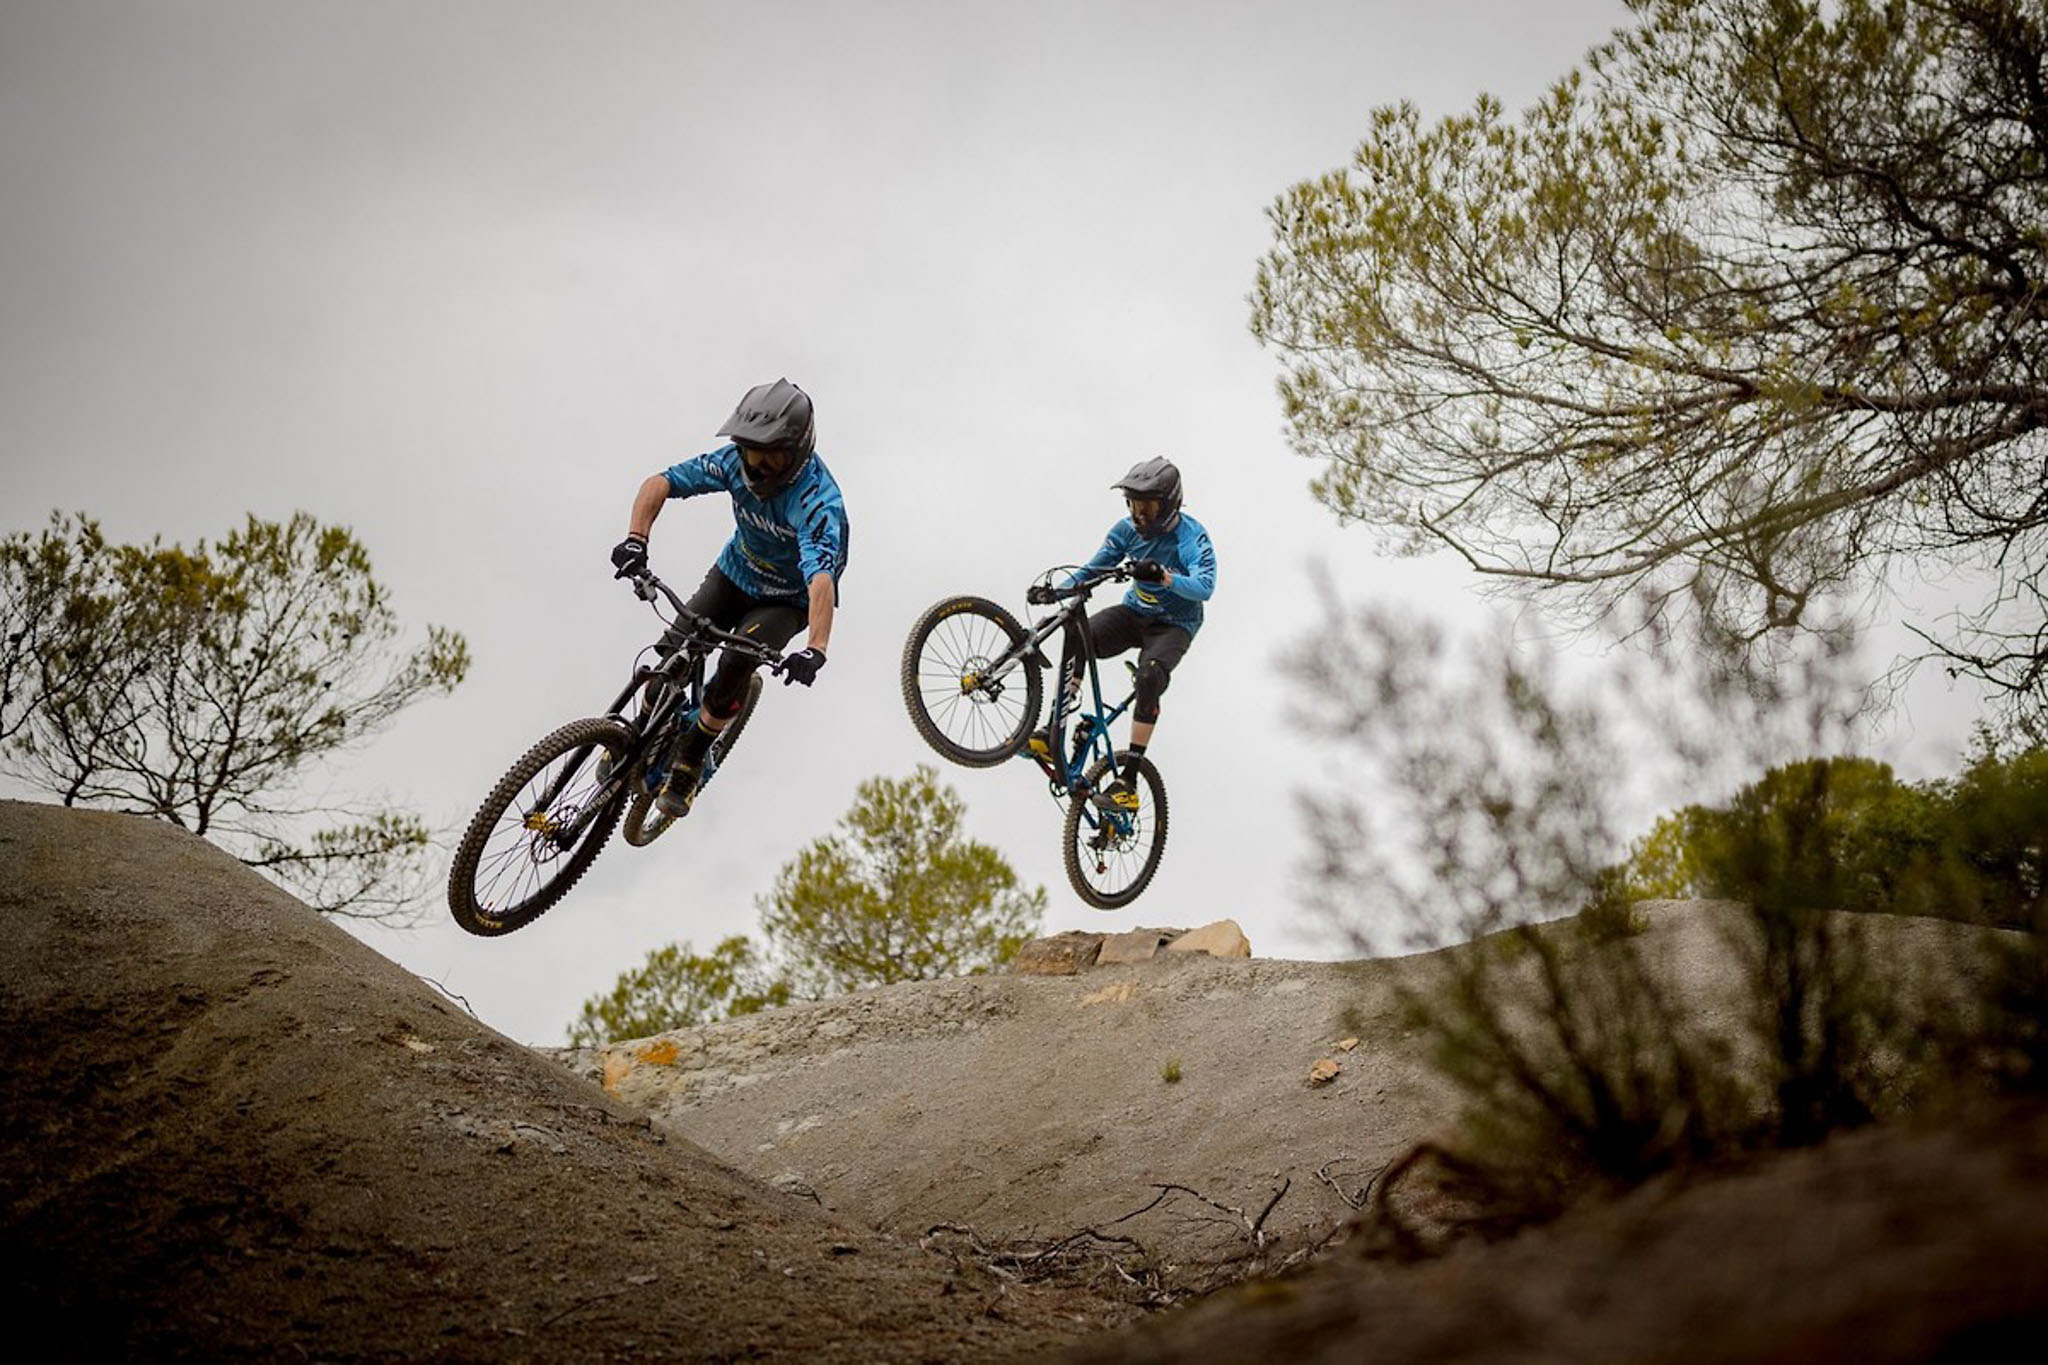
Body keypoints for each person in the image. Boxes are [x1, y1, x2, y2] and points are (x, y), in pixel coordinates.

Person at [610, 378, 849, 816]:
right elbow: (660, 482)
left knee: (736, 663)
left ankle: (692, 757)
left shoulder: (817, 502)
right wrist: (635, 540)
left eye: (770, 457)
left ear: (797, 452)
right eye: (751, 454)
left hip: (786, 601)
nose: (757, 468)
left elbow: (820, 580)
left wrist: (815, 649)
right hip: (733, 574)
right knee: (668, 661)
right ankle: (634, 734)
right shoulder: (733, 463)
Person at [1025, 456, 1215, 811]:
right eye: (1133, 505)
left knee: (1149, 677)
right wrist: (1056, 592)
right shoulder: (1125, 531)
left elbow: (1205, 586)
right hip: (1134, 613)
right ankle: (1053, 733)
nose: (1138, 515)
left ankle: (1128, 781)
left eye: (1147, 507)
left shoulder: (1190, 536)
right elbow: (1093, 568)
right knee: (1076, 634)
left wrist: (1165, 577)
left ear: (1168, 505)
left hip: (1174, 626)